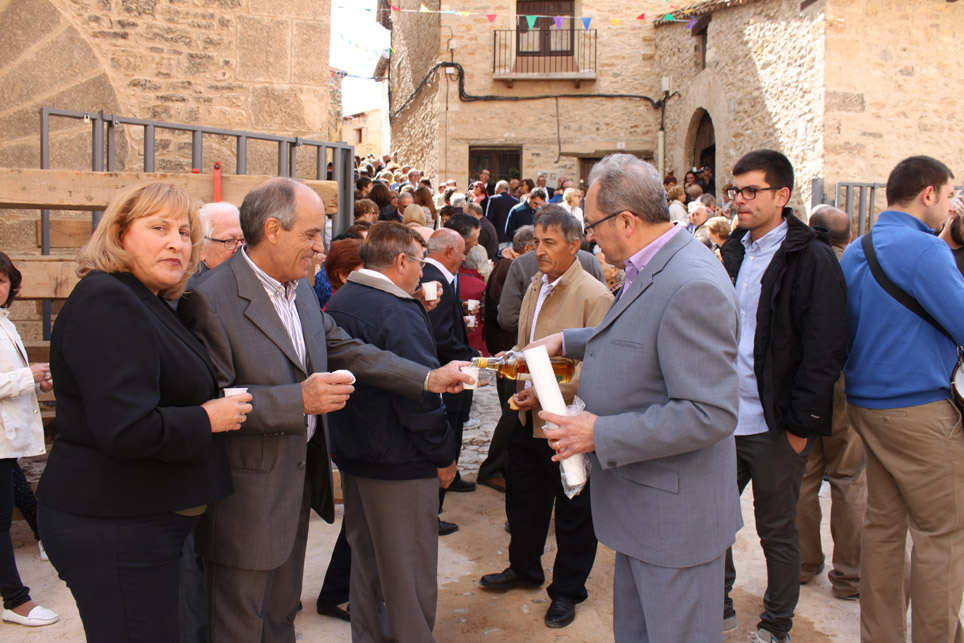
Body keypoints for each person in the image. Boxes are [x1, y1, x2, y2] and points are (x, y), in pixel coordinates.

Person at [177, 178, 471, 642]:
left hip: (293, 486)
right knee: (239, 626)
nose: (321, 247)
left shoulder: (297, 289)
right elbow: (208, 403)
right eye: (312, 234)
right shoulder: (209, 299)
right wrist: (299, 400)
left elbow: (347, 348)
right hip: (244, 501)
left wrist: (427, 378)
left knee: (280, 619)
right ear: (273, 230)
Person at [533, 154, 742, 641]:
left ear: (626, 221)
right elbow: (641, 332)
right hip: (645, 512)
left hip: (675, 522)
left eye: (593, 225)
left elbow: (709, 413)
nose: (590, 238)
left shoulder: (691, 283)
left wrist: (599, 432)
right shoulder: (654, 263)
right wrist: (567, 340)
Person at [36, 183, 252, 641]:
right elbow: (126, 428)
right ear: (119, 234)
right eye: (159, 228)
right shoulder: (109, 299)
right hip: (115, 526)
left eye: (184, 232)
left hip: (137, 522)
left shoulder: (144, 299)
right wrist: (207, 418)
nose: (176, 243)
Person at [719, 150, 848, 643]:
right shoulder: (734, 249)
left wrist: (800, 425)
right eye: (736, 190)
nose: (740, 199)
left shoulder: (811, 257)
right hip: (724, 418)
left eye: (752, 190)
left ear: (782, 196)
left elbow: (825, 345)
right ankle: (718, 602)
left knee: (776, 532)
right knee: (714, 521)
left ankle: (776, 625)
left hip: (776, 425)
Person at [840, 155, 964, 643]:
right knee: (941, 536)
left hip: (866, 405)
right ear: (928, 193)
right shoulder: (925, 249)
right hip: (920, 410)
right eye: (950, 195)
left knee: (884, 529)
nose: (952, 207)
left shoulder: (858, 248)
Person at [479, 209, 612, 629]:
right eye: (536, 241)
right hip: (528, 418)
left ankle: (568, 592)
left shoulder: (594, 295)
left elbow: (600, 366)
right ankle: (525, 568)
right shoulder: (537, 283)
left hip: (568, 424)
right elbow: (528, 345)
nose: (539, 250)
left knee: (573, 512)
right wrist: (513, 365)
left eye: (549, 242)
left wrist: (547, 392)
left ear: (574, 246)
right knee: (524, 501)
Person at [325, 222, 457, 642]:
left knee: (367, 572)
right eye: (420, 262)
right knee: (408, 582)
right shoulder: (397, 310)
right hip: (399, 463)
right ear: (401, 261)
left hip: (356, 454)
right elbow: (420, 399)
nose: (422, 272)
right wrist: (444, 455)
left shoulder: (344, 297)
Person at [795, 205, 865, 601]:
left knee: (804, 476)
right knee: (849, 479)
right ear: (849, 237)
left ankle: (804, 563)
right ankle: (850, 575)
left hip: (807, 382)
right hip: (847, 381)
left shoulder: (801, 265)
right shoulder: (859, 267)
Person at [0, 253, 57, 629]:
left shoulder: (5, 323)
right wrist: (28, 376)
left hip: (8, 440)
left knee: (14, 494)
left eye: (2, 280)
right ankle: (15, 600)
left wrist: (36, 382)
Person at [421, 229, 479, 521]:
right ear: (449, 252)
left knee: (454, 430)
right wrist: (472, 356)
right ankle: (434, 510)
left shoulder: (435, 275)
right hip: (445, 374)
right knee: (448, 431)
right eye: (462, 250)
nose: (465, 257)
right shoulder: (436, 279)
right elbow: (440, 337)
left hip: (446, 370)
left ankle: (450, 479)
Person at [477, 226, 535, 492]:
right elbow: (507, 316)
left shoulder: (508, 264)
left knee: (513, 408)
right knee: (514, 408)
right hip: (511, 348)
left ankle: (502, 466)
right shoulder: (514, 266)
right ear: (528, 247)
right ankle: (494, 468)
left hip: (510, 347)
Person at [485, 180, 520, 245]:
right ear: (508, 190)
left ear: (498, 189)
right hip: (512, 237)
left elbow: (489, 218)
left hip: (497, 236)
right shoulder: (516, 201)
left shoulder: (493, 199)